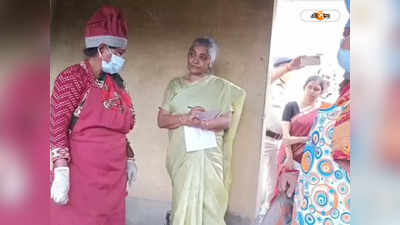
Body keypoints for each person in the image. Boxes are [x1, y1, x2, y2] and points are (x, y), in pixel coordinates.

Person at [49, 6, 137, 225]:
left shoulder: (116, 82)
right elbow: (57, 125)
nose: (122, 59)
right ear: (103, 49)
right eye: (119, 53)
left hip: (113, 178)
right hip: (82, 177)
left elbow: (122, 127)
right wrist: (60, 169)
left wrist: (129, 157)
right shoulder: (73, 77)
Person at [157, 37, 246, 225]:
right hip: (182, 156)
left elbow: (227, 120)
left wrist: (202, 123)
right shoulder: (175, 85)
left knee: (211, 205)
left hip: (209, 157)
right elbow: (162, 120)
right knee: (182, 204)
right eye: (192, 54)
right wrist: (185, 119)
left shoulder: (221, 87)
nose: (195, 60)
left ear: (210, 62)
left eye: (202, 57)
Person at [260, 75, 325, 225]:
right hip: (288, 156)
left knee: (300, 195)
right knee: (282, 191)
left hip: (308, 159)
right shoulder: (291, 106)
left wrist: (304, 140)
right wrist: (291, 156)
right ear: (304, 87)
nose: (312, 91)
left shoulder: (321, 112)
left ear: (321, 92)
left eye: (317, 89)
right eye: (310, 87)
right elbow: (286, 138)